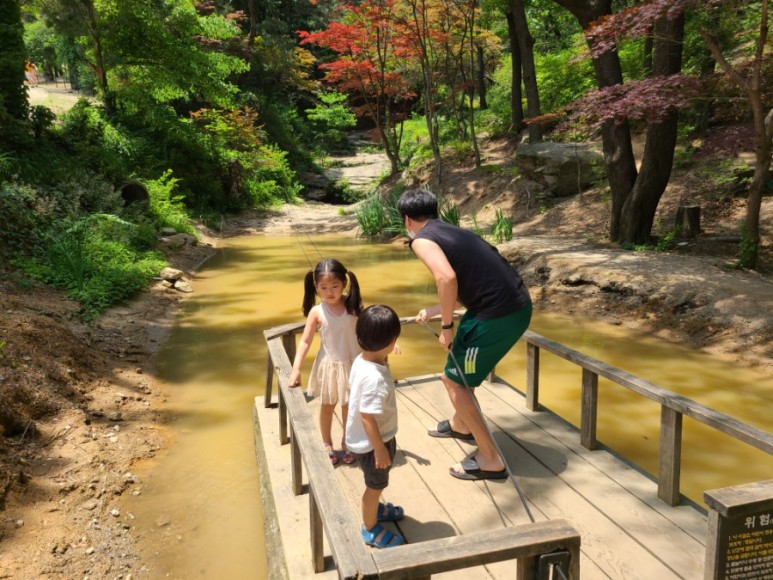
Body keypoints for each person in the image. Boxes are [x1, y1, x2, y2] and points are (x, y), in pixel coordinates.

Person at [397, 188, 532, 481]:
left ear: (407, 219)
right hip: (511, 306)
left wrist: (446, 328)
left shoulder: (421, 239)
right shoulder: (450, 231)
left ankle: (490, 459)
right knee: (462, 375)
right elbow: (470, 283)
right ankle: (462, 425)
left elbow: (446, 278)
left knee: (455, 381)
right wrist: (435, 310)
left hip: (498, 316)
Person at [289, 258, 363, 465]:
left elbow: (368, 332)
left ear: (344, 284)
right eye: (323, 287)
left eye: (335, 286)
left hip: (353, 364)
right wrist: (296, 370)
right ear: (316, 287)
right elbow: (304, 341)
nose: (329, 292)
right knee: (327, 405)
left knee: (349, 406)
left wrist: (387, 346)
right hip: (329, 366)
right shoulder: (317, 311)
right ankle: (326, 442)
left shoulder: (354, 305)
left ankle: (347, 442)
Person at [345, 304, 404, 548]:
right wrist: (379, 449)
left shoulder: (362, 359)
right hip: (373, 445)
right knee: (374, 486)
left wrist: (388, 348)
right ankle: (369, 528)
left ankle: (376, 510)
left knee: (376, 482)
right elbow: (368, 417)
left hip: (365, 440)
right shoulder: (375, 379)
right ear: (391, 341)